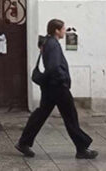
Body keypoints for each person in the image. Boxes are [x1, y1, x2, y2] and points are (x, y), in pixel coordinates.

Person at [15, 19, 98, 160]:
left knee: (41, 114)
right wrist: (62, 79)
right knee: (70, 116)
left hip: (50, 87)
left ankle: (23, 142)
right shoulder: (53, 45)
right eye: (63, 29)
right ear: (57, 31)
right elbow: (53, 66)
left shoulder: (48, 42)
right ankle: (82, 148)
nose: (65, 31)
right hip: (57, 87)